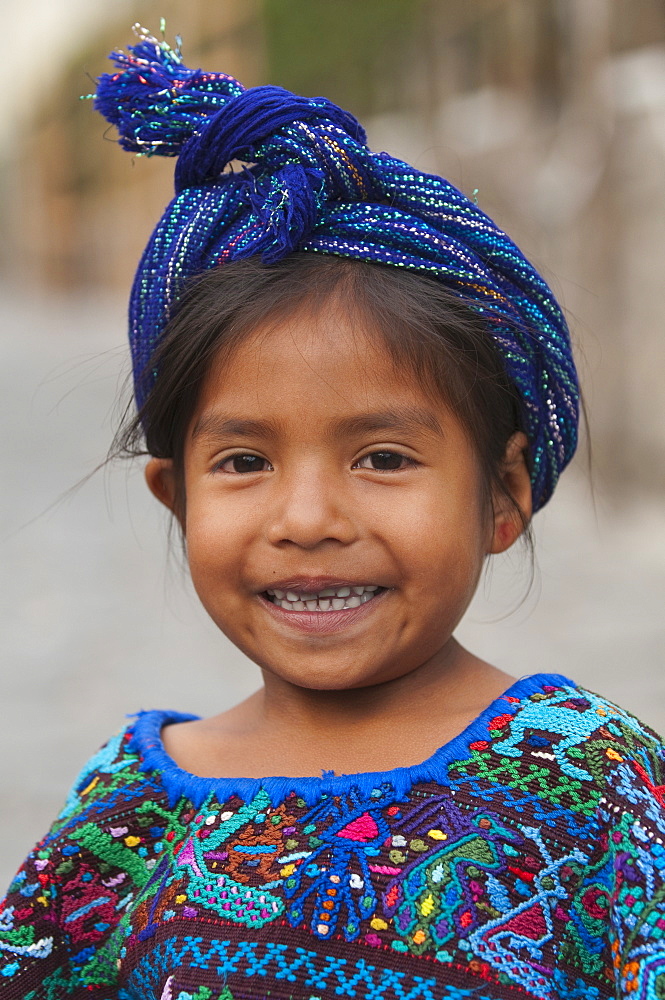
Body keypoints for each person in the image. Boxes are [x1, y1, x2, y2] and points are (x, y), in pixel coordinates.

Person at [2, 26, 664, 1000]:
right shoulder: (125, 817)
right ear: (174, 498)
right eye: (242, 461)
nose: (306, 517)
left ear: (502, 495)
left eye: (383, 457)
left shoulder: (592, 782)